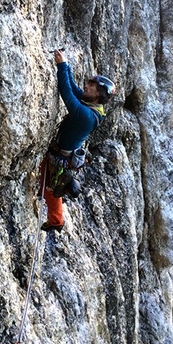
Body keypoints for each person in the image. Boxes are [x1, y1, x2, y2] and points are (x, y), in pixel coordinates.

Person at [39, 49, 116, 233]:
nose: (87, 86)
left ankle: (56, 221)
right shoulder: (91, 105)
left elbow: (67, 94)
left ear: (98, 96)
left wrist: (62, 66)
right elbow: (74, 88)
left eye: (91, 85)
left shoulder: (88, 116)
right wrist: (66, 67)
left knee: (50, 190)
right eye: (89, 82)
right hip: (61, 152)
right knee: (45, 182)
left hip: (61, 157)